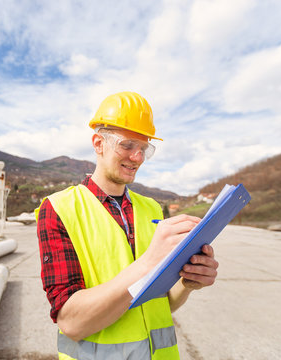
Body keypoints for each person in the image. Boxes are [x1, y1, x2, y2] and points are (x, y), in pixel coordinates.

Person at [36, 91, 219, 359]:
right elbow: (71, 323)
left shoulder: (152, 209)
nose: (137, 158)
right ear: (98, 143)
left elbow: (161, 302)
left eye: (144, 149)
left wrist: (188, 282)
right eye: (127, 145)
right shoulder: (59, 209)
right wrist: (148, 262)